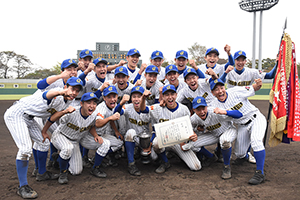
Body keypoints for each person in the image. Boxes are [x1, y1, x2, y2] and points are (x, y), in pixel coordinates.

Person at [4, 76, 84, 199]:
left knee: (44, 142)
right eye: (72, 88)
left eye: (77, 90)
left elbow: (53, 117)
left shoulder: (69, 101)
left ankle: (41, 173)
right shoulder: (56, 92)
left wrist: (45, 130)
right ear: (65, 87)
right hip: (17, 114)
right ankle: (22, 186)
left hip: (30, 119)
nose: (74, 93)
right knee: (25, 149)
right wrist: (62, 91)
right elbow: (47, 94)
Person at [210, 78, 267, 185]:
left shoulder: (235, 91)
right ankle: (245, 156)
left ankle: (260, 173)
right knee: (239, 154)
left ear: (224, 87)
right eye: (216, 89)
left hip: (255, 118)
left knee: (256, 141)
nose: (220, 91)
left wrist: (259, 84)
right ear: (213, 93)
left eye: (221, 87)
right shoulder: (214, 105)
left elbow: (254, 88)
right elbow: (237, 116)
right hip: (242, 125)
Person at [49, 92, 111, 184]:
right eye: (88, 102)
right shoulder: (72, 112)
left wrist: (95, 135)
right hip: (61, 135)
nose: (92, 105)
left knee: (76, 171)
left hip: (75, 141)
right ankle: (63, 173)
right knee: (67, 148)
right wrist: (64, 112)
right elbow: (54, 118)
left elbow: (91, 126)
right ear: (81, 104)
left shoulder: (94, 115)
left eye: (94, 103)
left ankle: (58, 158)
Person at [140, 85, 200, 173]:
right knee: (154, 152)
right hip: (164, 142)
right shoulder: (158, 108)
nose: (170, 97)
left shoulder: (184, 109)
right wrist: (143, 98)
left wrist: (193, 134)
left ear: (176, 95)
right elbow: (143, 109)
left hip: (179, 142)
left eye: (172, 94)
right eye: (167, 95)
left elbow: (189, 128)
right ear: (163, 97)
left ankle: (175, 154)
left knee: (196, 167)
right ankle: (165, 162)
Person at [190, 96, 242, 179]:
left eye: (203, 108)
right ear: (194, 110)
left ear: (207, 106)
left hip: (228, 130)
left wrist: (225, 112)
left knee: (225, 141)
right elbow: (189, 127)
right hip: (215, 134)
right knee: (192, 144)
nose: (202, 111)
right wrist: (195, 131)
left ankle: (226, 166)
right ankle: (211, 157)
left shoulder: (215, 112)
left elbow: (239, 114)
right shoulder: (194, 118)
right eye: (198, 109)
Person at [114, 86, 152, 176]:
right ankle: (131, 163)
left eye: (139, 96)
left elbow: (154, 127)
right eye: (134, 96)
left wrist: (150, 144)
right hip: (132, 139)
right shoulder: (127, 107)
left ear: (143, 98)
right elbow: (116, 112)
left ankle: (144, 154)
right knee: (131, 132)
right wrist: (121, 103)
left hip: (145, 141)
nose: (136, 99)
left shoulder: (150, 109)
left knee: (154, 157)